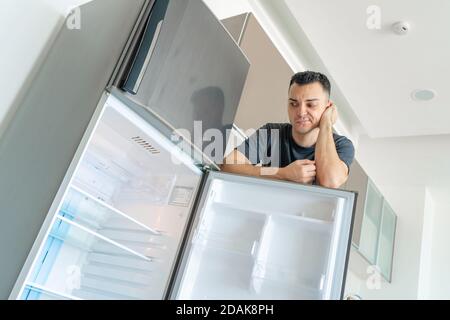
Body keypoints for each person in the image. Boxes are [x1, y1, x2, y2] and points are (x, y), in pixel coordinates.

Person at [221, 71, 355, 189]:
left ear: (328, 107)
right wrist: (282, 173)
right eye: (293, 104)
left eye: (311, 105)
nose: (301, 112)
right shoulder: (272, 132)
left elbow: (330, 181)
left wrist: (326, 122)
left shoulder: (342, 145)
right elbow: (229, 166)